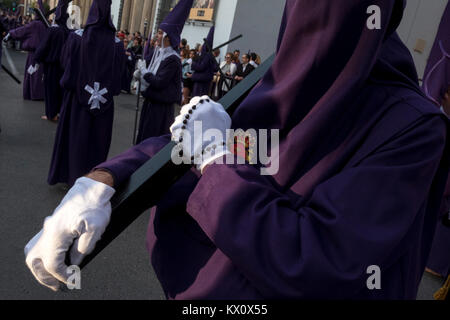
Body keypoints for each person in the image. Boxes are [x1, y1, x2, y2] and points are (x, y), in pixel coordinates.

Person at [25, 0, 450, 300]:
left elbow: (319, 259)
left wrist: (216, 163)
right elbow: (228, 139)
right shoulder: (295, 80)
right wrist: (102, 180)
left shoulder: (412, 127)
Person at [47, 0, 125, 187]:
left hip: (76, 101)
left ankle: (70, 176)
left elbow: (66, 65)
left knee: (75, 139)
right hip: (104, 106)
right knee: (97, 142)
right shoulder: (117, 44)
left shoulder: (77, 38)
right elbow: (118, 79)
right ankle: (92, 179)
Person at [134, 0, 192, 143]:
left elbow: (159, 82)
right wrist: (139, 75)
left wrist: (144, 72)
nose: (157, 36)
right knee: (143, 138)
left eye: (160, 33)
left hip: (160, 108)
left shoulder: (172, 59)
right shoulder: (159, 52)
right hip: (151, 103)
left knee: (152, 141)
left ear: (167, 36)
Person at [34, 0, 71, 122]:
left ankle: (51, 114)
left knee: (51, 90)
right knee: (61, 90)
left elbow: (43, 47)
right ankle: (60, 112)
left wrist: (36, 60)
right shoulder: (69, 32)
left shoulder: (53, 30)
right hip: (64, 66)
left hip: (52, 66)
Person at [4, 9, 45, 101]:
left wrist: (10, 34)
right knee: (38, 75)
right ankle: (39, 94)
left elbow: (23, 30)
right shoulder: (46, 25)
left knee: (33, 75)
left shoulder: (36, 24)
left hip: (34, 54)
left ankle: (32, 94)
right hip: (43, 55)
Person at [190, 26, 217, 97]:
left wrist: (193, 65)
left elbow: (202, 66)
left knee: (198, 98)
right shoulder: (208, 55)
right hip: (202, 79)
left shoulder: (208, 55)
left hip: (202, 80)